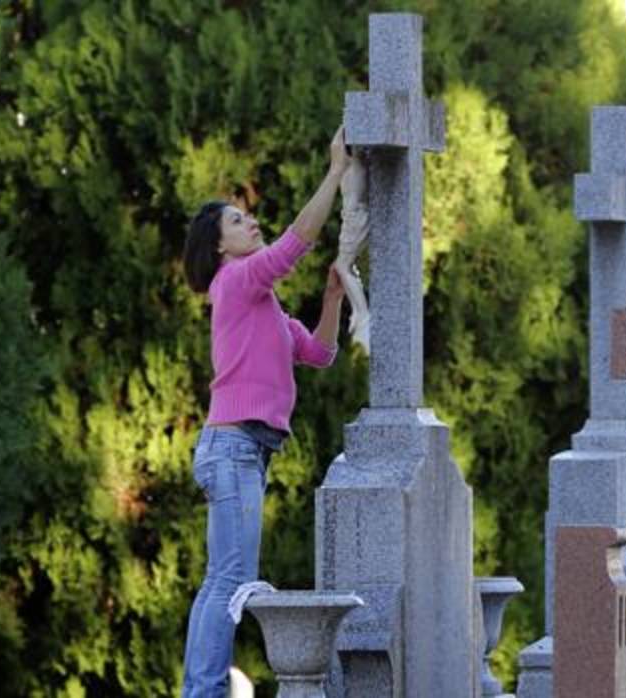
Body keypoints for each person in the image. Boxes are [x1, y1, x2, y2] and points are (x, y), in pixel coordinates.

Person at [180, 126, 353, 697]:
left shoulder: (266, 306)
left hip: (245, 451)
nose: (248, 221)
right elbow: (293, 244)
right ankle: (202, 693)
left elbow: (320, 354)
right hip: (232, 448)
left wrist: (332, 299)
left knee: (227, 580)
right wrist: (334, 174)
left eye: (244, 216)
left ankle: (202, 690)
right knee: (229, 580)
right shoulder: (235, 282)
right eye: (236, 221)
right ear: (219, 247)